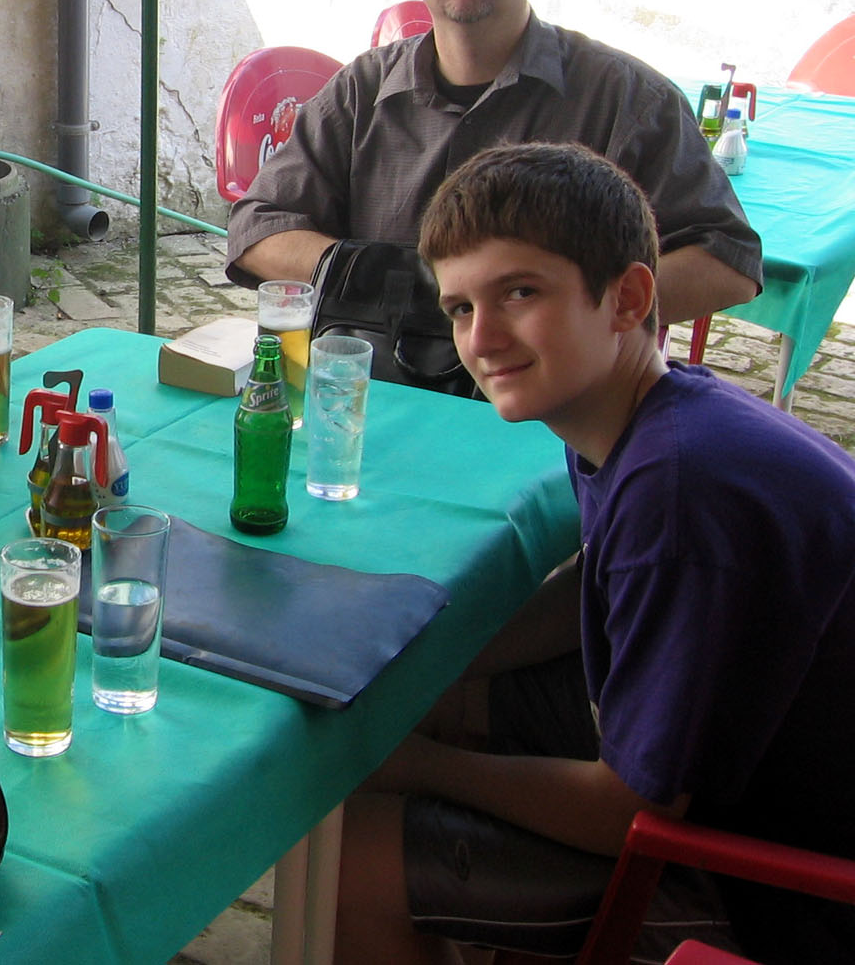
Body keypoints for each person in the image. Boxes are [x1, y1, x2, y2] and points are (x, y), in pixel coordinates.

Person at [332, 143, 855, 964]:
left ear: (628, 298)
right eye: (461, 307)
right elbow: (596, 582)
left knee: (351, 854)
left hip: (787, 888)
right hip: (742, 772)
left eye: (520, 292)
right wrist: (447, 665)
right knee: (436, 702)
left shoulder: (680, 493)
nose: (482, 338)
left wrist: (419, 766)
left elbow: (634, 810)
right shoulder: (637, 414)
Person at [226, 0, 762, 328]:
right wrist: (385, 278)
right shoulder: (359, 94)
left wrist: (567, 313)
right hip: (377, 387)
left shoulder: (627, 100)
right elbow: (257, 227)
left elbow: (727, 261)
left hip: (557, 400)